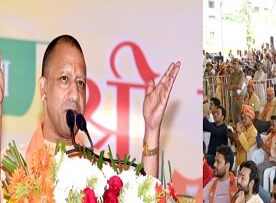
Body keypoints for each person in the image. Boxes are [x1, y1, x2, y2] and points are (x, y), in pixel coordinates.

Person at [2, 34, 177, 179]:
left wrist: (152, 129)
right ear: (43, 88)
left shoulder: (102, 170)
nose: (75, 94)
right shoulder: (12, 169)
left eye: (80, 83)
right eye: (64, 79)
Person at [255, 116, 276, 187]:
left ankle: (261, 190)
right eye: (270, 125)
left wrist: (263, 146)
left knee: (259, 168)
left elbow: (275, 155)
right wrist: (260, 140)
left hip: (274, 161)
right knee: (255, 164)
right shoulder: (272, 133)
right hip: (266, 158)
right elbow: (266, 140)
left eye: (273, 125)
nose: (271, 127)